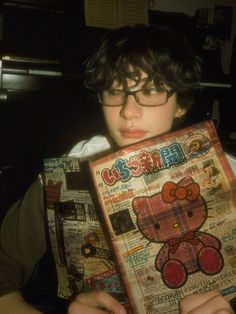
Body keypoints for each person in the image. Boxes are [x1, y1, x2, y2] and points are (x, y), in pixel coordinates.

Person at [0, 24, 235, 314]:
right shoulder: (71, 168)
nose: (127, 111)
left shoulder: (227, 173)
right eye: (115, 91)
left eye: (150, 90)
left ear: (181, 104)